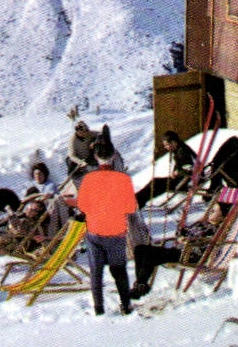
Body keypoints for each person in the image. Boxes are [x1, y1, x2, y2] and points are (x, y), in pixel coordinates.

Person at [75, 140, 138, 315]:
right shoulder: (123, 179)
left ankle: (99, 308)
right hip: (116, 231)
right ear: (114, 156)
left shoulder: (88, 179)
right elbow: (130, 207)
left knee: (96, 272)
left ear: (96, 157)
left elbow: (82, 206)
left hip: (95, 230)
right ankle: (126, 305)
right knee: (119, 270)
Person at [129, 201, 228, 298]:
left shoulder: (215, 230)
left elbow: (207, 246)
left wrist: (189, 241)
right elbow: (184, 232)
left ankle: (140, 286)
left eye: (214, 211)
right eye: (211, 209)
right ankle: (140, 284)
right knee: (139, 249)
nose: (210, 211)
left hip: (190, 255)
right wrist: (181, 235)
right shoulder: (202, 223)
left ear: (222, 217)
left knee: (150, 256)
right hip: (180, 250)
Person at [134, 131, 196, 207]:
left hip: (183, 181)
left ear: (173, 142)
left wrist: (177, 172)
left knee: (156, 183)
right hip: (180, 180)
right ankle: (137, 198)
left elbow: (189, 169)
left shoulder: (182, 152)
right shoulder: (180, 149)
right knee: (156, 182)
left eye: (166, 145)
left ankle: (138, 200)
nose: (165, 147)